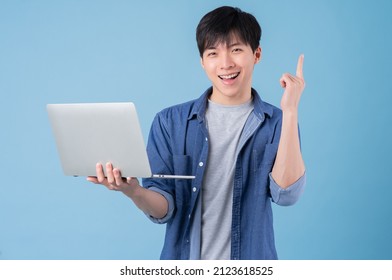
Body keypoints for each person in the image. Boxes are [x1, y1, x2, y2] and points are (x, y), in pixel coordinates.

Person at [87, 6, 306, 260]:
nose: (225, 64)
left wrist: (290, 110)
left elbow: (287, 194)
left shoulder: (277, 122)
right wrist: (133, 190)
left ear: (256, 54)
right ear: (203, 61)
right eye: (213, 53)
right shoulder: (170, 122)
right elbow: (164, 209)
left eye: (236, 49)